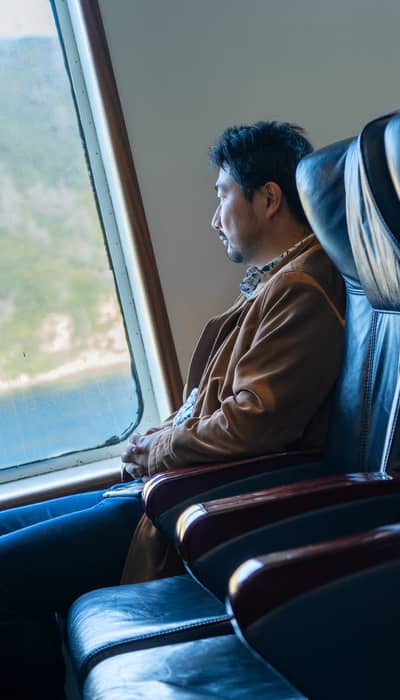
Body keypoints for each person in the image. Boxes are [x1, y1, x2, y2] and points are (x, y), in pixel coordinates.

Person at [0, 121, 346, 696]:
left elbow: (252, 423)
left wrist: (155, 450)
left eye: (222, 195)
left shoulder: (301, 291)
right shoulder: (273, 285)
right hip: (169, 488)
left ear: (267, 198)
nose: (214, 219)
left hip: (187, 508)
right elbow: (207, 405)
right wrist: (154, 439)